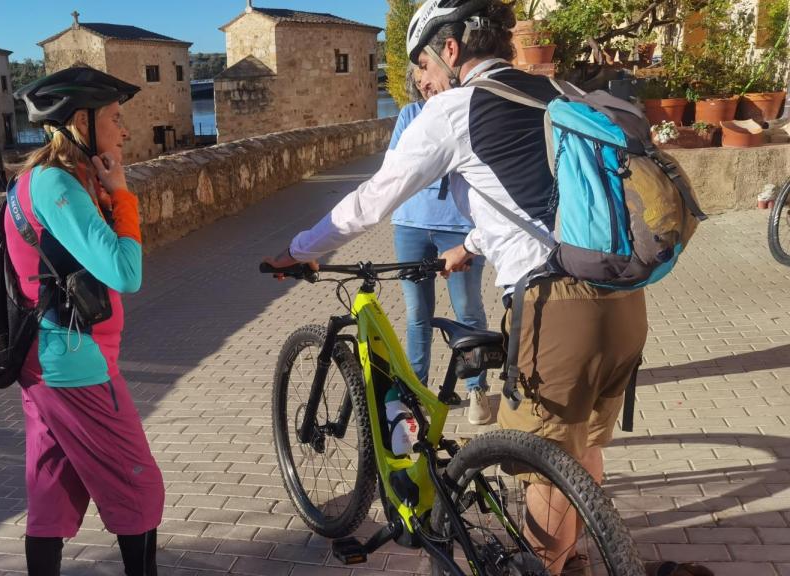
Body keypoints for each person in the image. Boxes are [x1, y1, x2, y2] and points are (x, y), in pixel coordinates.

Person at [264, 0, 647, 572]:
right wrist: (469, 244)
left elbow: (373, 199)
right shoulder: (557, 91)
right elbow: (543, 202)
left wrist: (300, 251)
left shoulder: (455, 110)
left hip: (557, 307)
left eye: (421, 65)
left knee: (542, 467)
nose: (420, 82)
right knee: (582, 451)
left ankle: (551, 564)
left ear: (451, 49)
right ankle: (576, 561)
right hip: (622, 296)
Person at [10, 66, 163, 576]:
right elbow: (125, 272)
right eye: (115, 118)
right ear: (81, 122)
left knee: (52, 490)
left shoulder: (34, 180)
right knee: (138, 488)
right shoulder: (57, 185)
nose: (123, 131)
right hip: (76, 367)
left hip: (44, 362)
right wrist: (122, 193)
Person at [391, 63, 491, 425]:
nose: (423, 84)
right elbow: (398, 167)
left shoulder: (470, 109)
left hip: (460, 226)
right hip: (410, 223)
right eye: (417, 78)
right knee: (417, 313)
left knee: (467, 310)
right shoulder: (410, 114)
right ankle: (417, 391)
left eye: (426, 74)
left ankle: (476, 387)